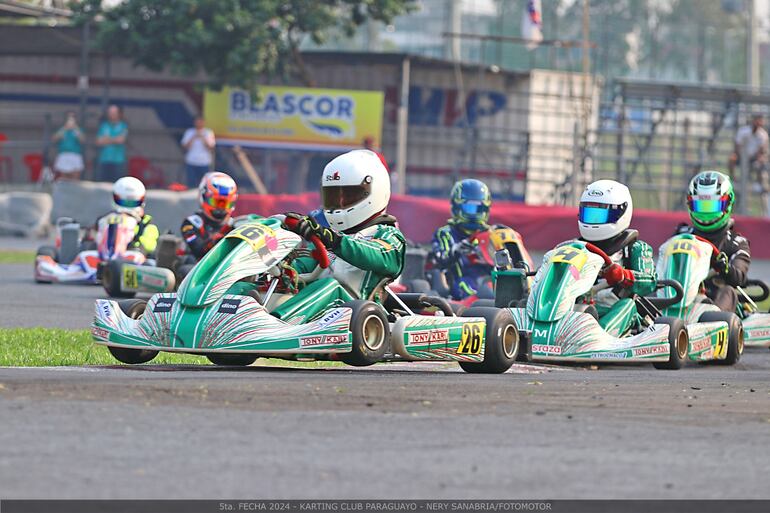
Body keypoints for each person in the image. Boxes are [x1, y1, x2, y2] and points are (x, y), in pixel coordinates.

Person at [274, 149, 406, 322]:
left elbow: (375, 255)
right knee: (256, 284)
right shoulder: (327, 239)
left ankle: (274, 327)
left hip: (358, 317)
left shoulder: (388, 235)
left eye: (350, 196)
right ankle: (234, 327)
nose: (341, 203)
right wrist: (280, 270)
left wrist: (333, 240)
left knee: (328, 286)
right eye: (335, 196)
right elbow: (304, 267)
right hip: (316, 320)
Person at [576, 179, 657, 335]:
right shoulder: (577, 247)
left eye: (600, 215)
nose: (593, 221)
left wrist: (622, 275)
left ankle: (597, 337)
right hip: (581, 309)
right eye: (590, 214)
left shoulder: (634, 248)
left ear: (620, 213)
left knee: (628, 304)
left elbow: (650, 281)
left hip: (616, 310)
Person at [674, 170, 750, 313]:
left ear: (728, 203)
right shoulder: (681, 235)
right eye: (701, 206)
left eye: (712, 206)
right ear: (691, 204)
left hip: (715, 302)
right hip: (682, 296)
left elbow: (739, 278)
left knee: (728, 291)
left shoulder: (736, 243)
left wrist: (724, 267)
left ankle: (711, 325)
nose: (706, 213)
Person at [430, 178, 494, 300]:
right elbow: (441, 259)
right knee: (473, 289)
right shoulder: (445, 233)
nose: (474, 214)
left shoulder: (491, 235)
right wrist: (457, 250)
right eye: (470, 208)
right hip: (461, 283)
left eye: (478, 209)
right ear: (457, 207)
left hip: (491, 280)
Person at [180, 172, 238, 261]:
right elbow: (198, 250)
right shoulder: (191, 223)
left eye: (225, 204)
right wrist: (218, 241)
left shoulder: (234, 226)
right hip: (196, 269)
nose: (220, 209)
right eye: (216, 202)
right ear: (204, 197)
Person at [94, 176, 159, 255]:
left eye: (132, 203)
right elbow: (92, 238)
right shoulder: (104, 220)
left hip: (135, 261)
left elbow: (150, 247)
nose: (127, 206)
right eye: (123, 201)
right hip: (104, 256)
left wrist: (133, 240)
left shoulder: (147, 226)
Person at [96, 105, 128, 182]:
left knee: (117, 184)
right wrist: (114, 139)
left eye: (114, 112)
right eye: (110, 112)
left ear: (119, 114)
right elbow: (98, 141)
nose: (112, 114)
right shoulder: (104, 125)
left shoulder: (123, 125)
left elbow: (121, 140)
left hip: (118, 161)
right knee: (103, 184)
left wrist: (107, 139)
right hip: (104, 160)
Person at [181, 117, 216, 187]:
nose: (199, 124)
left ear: (203, 122)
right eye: (197, 122)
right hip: (191, 161)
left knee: (204, 184)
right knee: (191, 183)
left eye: (200, 122)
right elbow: (184, 146)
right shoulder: (189, 132)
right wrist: (194, 137)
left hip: (204, 162)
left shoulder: (208, 132)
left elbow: (211, 147)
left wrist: (202, 138)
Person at [52, 112, 84, 180]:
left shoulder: (78, 129)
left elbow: (82, 140)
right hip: (63, 154)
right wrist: (64, 129)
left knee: (75, 177)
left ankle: (74, 190)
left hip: (75, 155)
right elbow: (54, 139)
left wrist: (75, 129)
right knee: (64, 178)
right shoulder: (62, 129)